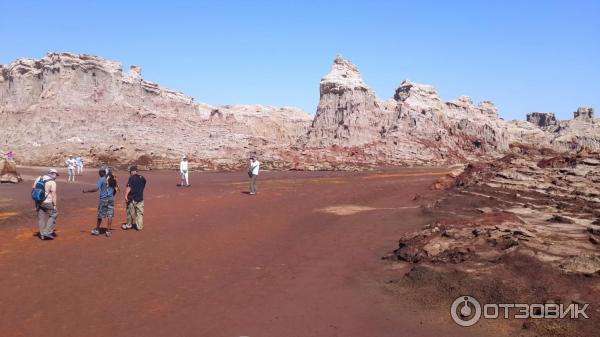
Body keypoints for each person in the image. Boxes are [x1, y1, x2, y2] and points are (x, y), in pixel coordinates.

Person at [83, 169, 116, 237]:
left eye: (100, 172)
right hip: (111, 199)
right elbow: (115, 189)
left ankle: (97, 230)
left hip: (103, 199)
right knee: (110, 215)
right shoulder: (113, 179)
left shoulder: (102, 179)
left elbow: (96, 189)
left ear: (103, 173)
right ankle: (108, 231)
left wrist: (86, 191)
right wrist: (111, 196)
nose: (99, 174)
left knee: (100, 215)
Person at [32, 169, 59, 240]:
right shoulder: (52, 182)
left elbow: (34, 188)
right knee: (54, 214)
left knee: (41, 218)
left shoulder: (39, 178)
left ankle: (42, 235)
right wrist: (55, 205)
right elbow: (54, 194)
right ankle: (47, 232)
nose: (56, 177)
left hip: (38, 201)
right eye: (56, 175)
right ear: (53, 174)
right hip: (47, 202)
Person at [122, 166, 146, 231]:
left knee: (129, 212)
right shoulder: (142, 178)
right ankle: (139, 226)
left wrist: (126, 195)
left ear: (133, 171)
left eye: (130, 172)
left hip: (132, 198)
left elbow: (129, 187)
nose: (130, 173)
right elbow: (143, 185)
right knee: (140, 213)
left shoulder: (131, 178)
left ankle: (129, 225)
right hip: (140, 198)